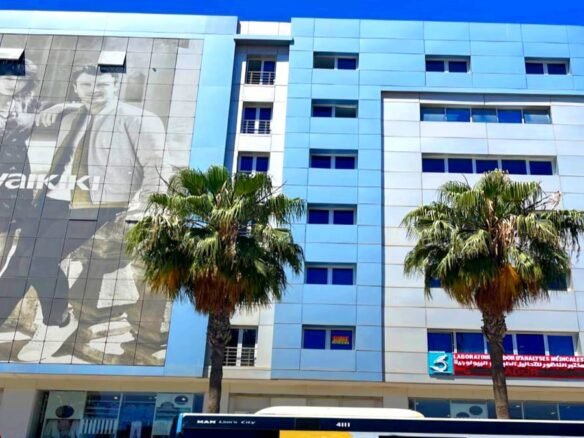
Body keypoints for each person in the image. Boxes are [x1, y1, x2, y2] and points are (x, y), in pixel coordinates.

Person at [16, 64, 166, 362]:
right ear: (75, 89)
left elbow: (157, 167)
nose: (93, 91)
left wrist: (146, 210)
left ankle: (57, 322)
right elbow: (81, 108)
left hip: (104, 205)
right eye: (86, 85)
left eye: (101, 85)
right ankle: (57, 315)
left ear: (115, 86)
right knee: (24, 262)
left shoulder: (139, 119)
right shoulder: (78, 114)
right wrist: (63, 106)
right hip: (63, 199)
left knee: (41, 258)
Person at [0, 59, 78, 350]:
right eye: (6, 76)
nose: (12, 81)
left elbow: (82, 107)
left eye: (19, 78)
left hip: (13, 190)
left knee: (10, 258)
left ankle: (57, 319)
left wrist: (61, 106)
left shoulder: (30, 106)